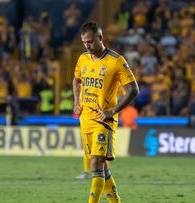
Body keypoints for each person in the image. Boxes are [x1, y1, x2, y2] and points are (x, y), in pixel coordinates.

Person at [73, 21, 139, 203]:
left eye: (90, 42)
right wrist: (76, 102)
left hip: (104, 120)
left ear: (100, 38)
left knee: (96, 162)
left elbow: (134, 90)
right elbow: (76, 80)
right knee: (101, 165)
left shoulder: (116, 61)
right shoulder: (83, 59)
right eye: (84, 42)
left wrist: (114, 110)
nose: (87, 46)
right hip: (86, 118)